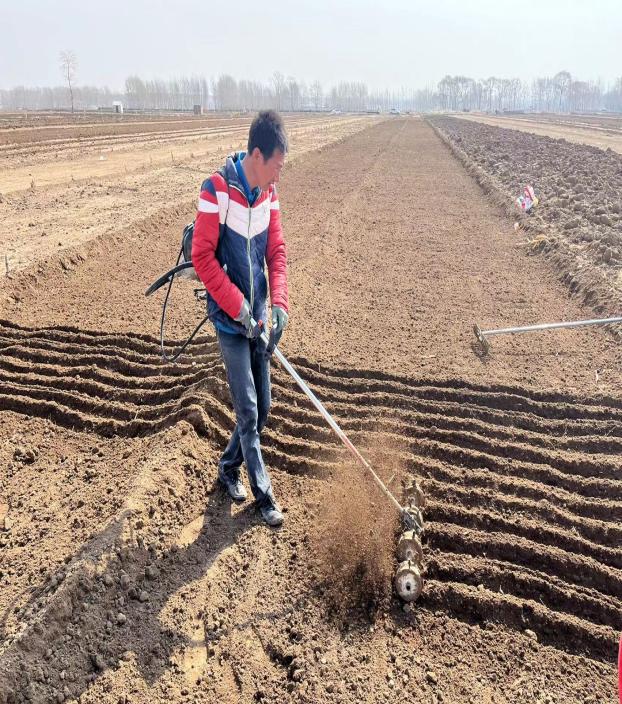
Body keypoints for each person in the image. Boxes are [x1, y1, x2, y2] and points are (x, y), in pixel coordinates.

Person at [191, 110, 289, 527]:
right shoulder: (216, 190)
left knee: (263, 407)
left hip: (259, 317)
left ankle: (228, 466)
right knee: (248, 409)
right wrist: (237, 306)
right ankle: (264, 497)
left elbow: (277, 253)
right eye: (277, 166)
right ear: (256, 154)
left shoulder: (269, 197)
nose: (278, 176)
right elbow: (202, 258)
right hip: (231, 322)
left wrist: (278, 306)